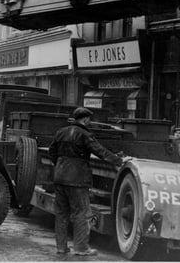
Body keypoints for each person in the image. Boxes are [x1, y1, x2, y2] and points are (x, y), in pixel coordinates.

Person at [48, 107, 128, 256]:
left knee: (61, 214)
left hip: (59, 178)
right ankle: (81, 248)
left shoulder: (61, 132)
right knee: (81, 214)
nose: (89, 122)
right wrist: (118, 160)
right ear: (85, 119)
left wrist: (60, 166)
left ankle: (61, 247)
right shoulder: (85, 134)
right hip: (77, 180)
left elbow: (51, 152)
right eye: (89, 119)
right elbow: (100, 151)